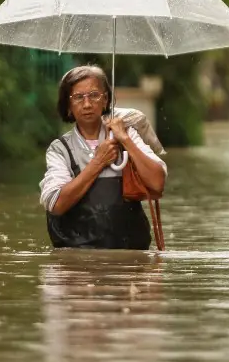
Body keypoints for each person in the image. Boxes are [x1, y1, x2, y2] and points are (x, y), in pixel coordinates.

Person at [40, 65, 167, 249]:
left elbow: (157, 183)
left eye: (94, 95)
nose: (87, 104)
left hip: (129, 260)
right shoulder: (60, 149)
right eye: (78, 97)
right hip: (78, 266)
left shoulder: (126, 134)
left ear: (105, 99)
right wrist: (98, 162)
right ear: (68, 106)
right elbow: (56, 203)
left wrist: (125, 140)